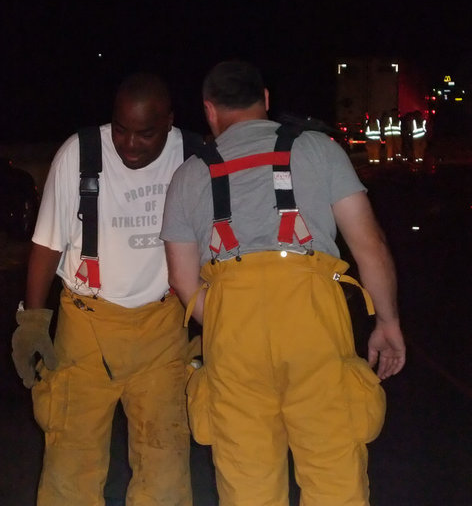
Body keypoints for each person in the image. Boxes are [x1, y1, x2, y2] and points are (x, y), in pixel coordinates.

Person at [161, 61, 406, 506]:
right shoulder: (317, 149)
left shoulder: (188, 175)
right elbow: (369, 244)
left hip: (234, 333)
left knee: (246, 479)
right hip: (312, 322)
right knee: (333, 472)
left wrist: (221, 319)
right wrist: (386, 322)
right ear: (266, 100)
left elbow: (182, 279)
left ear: (209, 111)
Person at [11, 73, 195, 506]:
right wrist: (34, 321)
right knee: (70, 465)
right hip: (85, 329)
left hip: (163, 329)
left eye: (145, 134)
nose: (129, 144)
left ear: (168, 123)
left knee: (165, 464)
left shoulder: (191, 155)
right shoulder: (79, 154)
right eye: (121, 130)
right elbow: (46, 244)